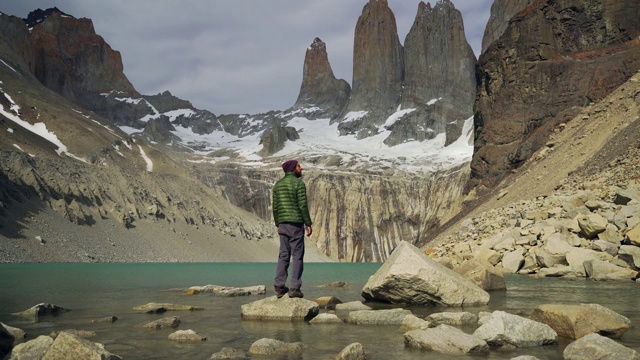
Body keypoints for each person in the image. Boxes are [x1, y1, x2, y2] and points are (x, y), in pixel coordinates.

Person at [272, 159, 313, 298]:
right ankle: (295, 288)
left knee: (283, 255)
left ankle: (279, 286)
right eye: (298, 166)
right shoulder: (298, 184)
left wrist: (278, 224)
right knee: (297, 256)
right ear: (292, 169)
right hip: (295, 224)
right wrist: (308, 223)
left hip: (283, 224)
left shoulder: (277, 185)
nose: (301, 168)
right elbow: (302, 206)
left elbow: (275, 208)